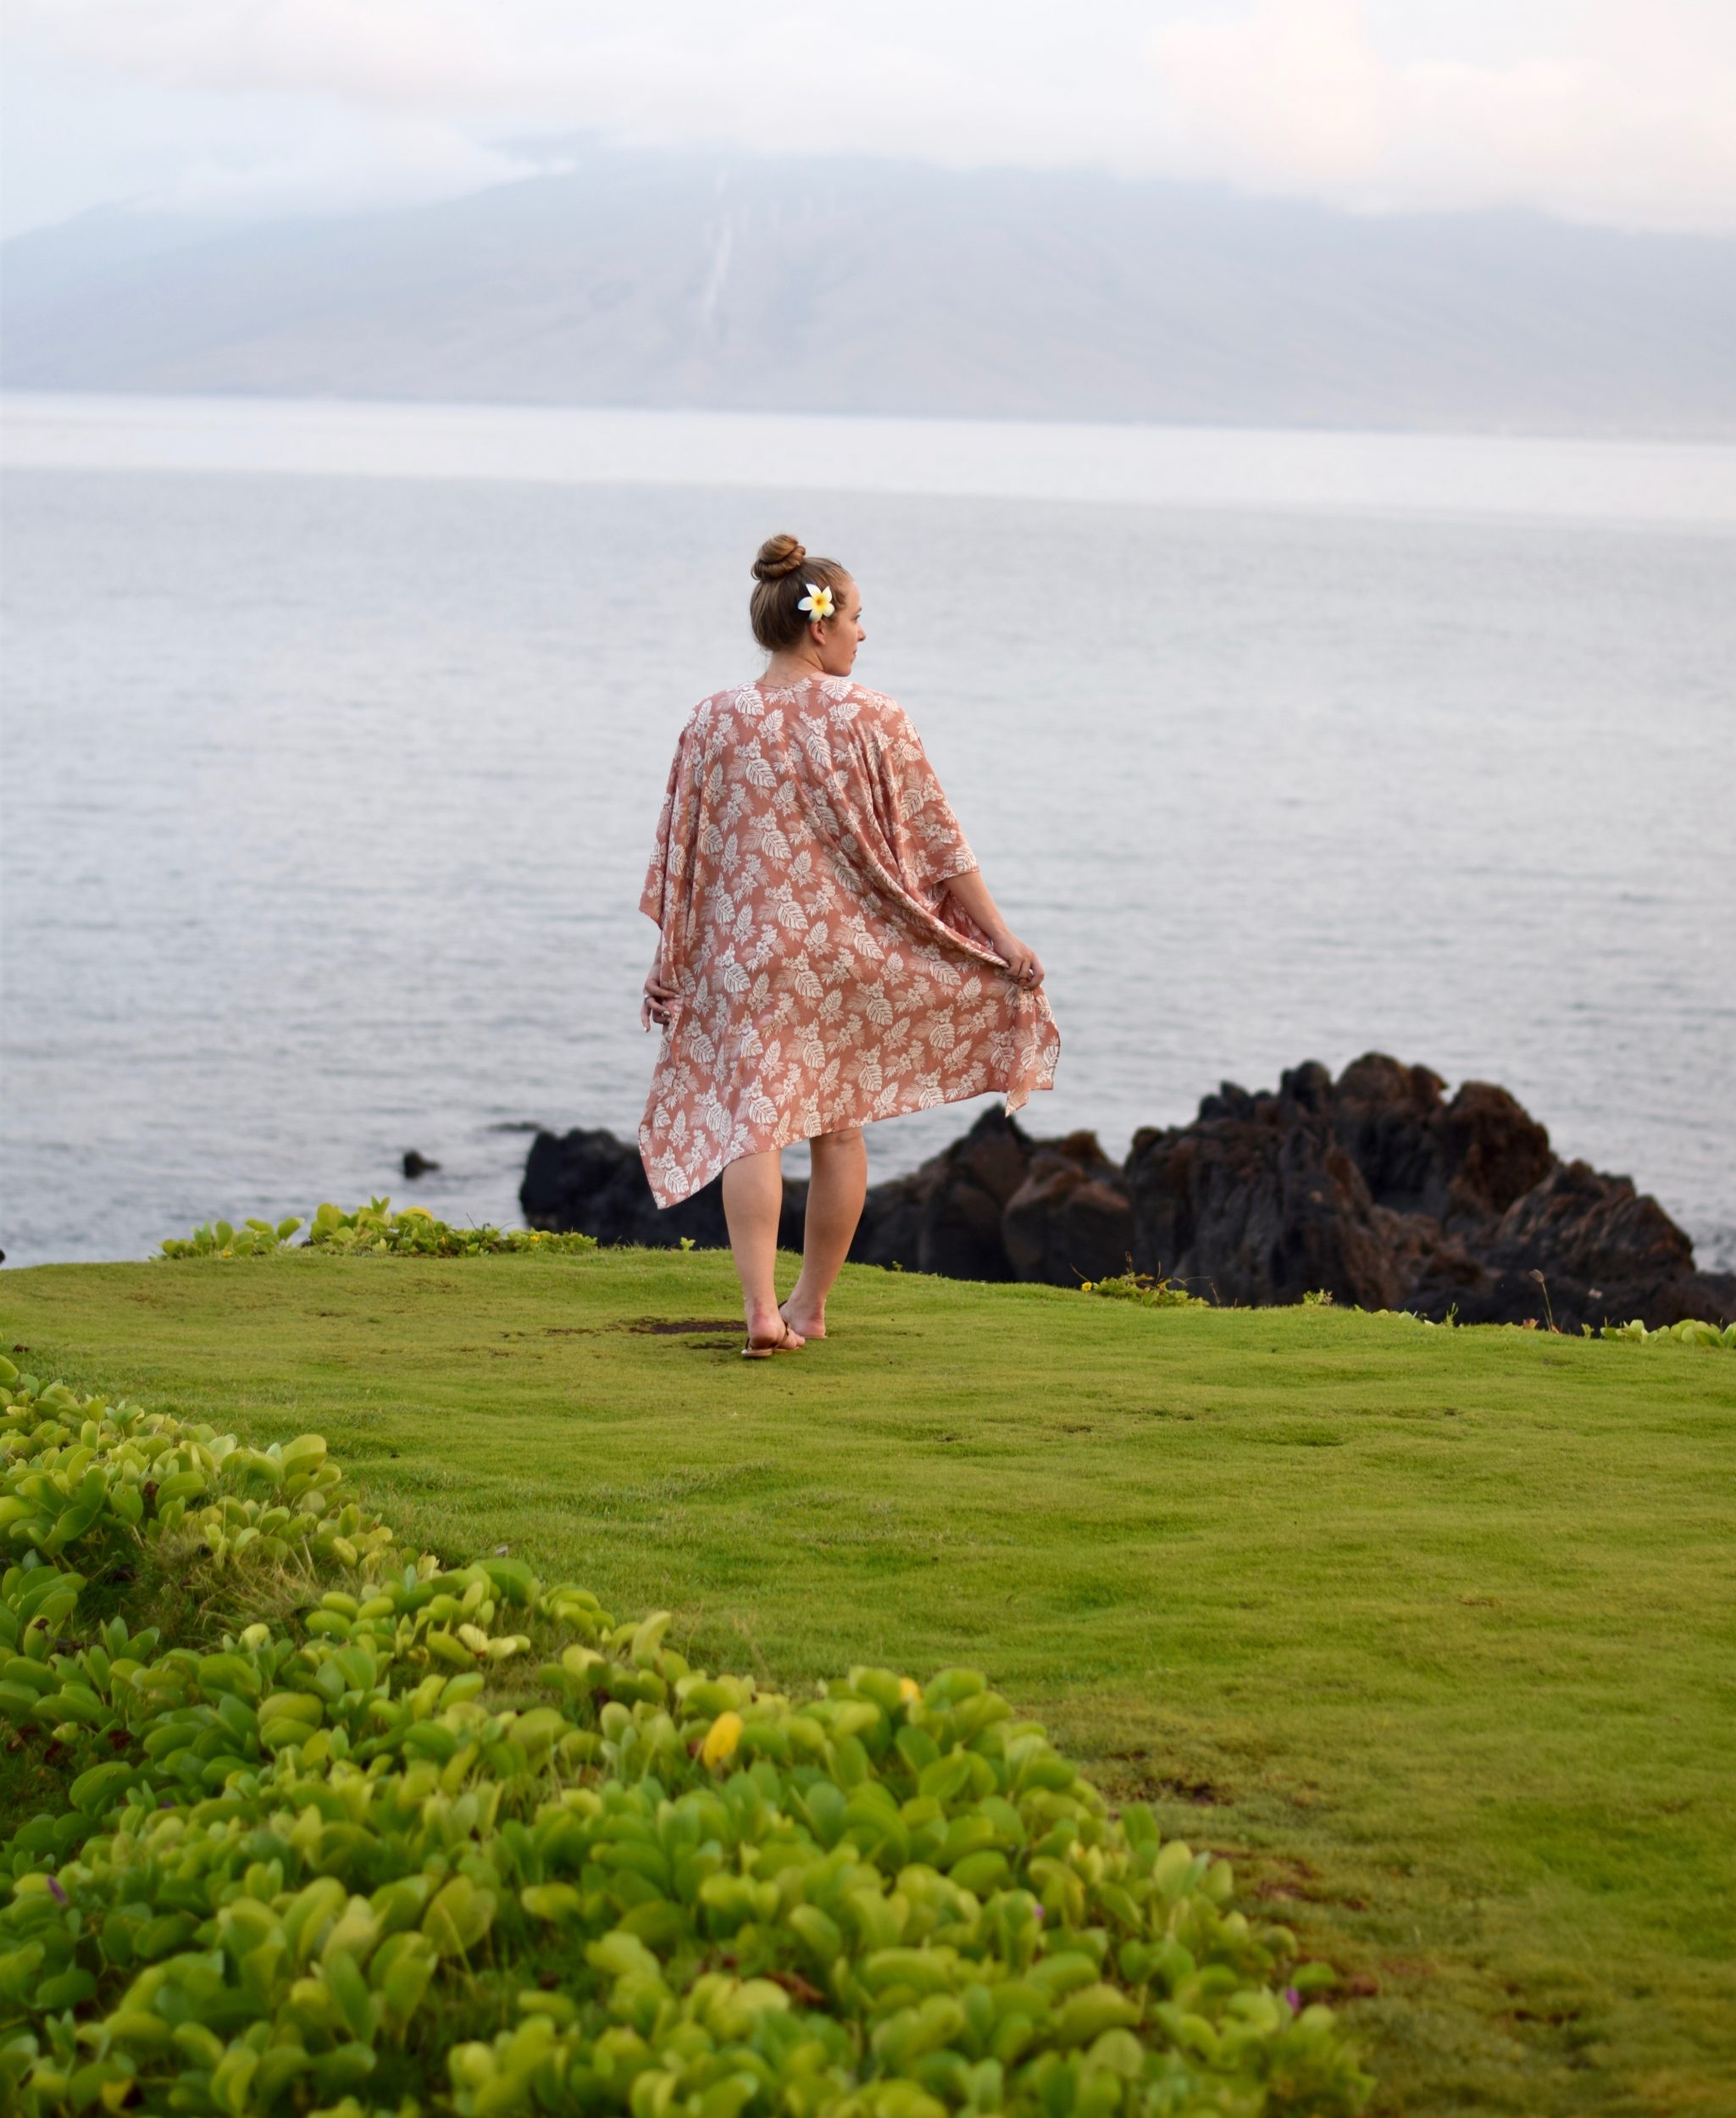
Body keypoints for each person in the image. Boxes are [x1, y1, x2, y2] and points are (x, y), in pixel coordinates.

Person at [638, 534, 1059, 1357]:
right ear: (818, 628)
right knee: (838, 1131)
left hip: (747, 959)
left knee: (752, 1129)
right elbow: (942, 847)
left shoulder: (714, 721)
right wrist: (1000, 938)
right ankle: (810, 1305)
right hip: (845, 957)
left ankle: (760, 1310)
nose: (863, 635)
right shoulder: (877, 717)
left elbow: (684, 855)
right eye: (858, 619)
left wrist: (671, 964)